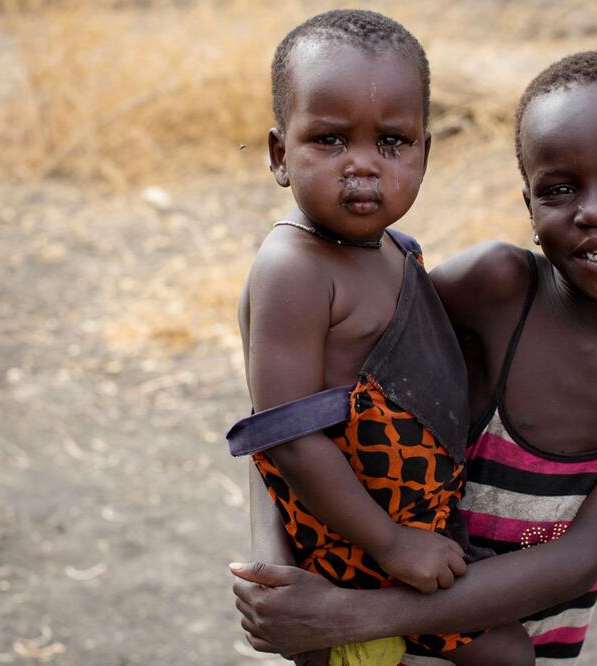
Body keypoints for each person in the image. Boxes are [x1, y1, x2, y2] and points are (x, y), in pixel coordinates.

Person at [231, 50, 597, 665]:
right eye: (558, 189)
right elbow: (294, 415)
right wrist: (279, 580)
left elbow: (579, 559)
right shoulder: (493, 290)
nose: (596, 209)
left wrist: (349, 616)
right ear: (530, 208)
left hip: (504, 642)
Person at [226, 9, 534, 666]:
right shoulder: (296, 268)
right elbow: (286, 436)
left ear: (425, 150)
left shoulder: (396, 249)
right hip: (349, 552)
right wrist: (393, 543)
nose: (362, 167)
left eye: (391, 143)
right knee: (496, 654)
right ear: (280, 155)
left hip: (414, 535)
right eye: (330, 141)